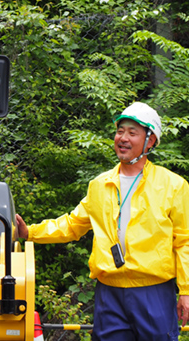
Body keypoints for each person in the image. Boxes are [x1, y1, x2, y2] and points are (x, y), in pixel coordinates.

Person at [15, 102, 189, 339]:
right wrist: (30, 233)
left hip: (153, 292)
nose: (123, 138)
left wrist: (186, 291)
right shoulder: (100, 185)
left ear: (150, 141)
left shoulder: (173, 185)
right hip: (110, 292)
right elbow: (72, 224)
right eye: (120, 131)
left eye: (132, 132)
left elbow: (184, 241)